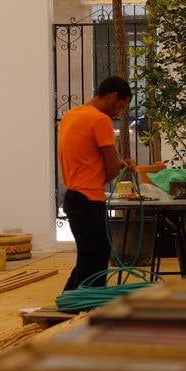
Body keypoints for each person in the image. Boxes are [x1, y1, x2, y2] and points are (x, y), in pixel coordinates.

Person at [58, 75, 134, 291]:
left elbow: (84, 156)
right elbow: (109, 167)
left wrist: (116, 164)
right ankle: (84, 307)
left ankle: (70, 301)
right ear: (113, 96)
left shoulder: (72, 115)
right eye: (121, 105)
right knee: (96, 260)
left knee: (88, 257)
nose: (119, 112)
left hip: (73, 198)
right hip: (90, 200)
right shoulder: (100, 120)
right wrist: (112, 169)